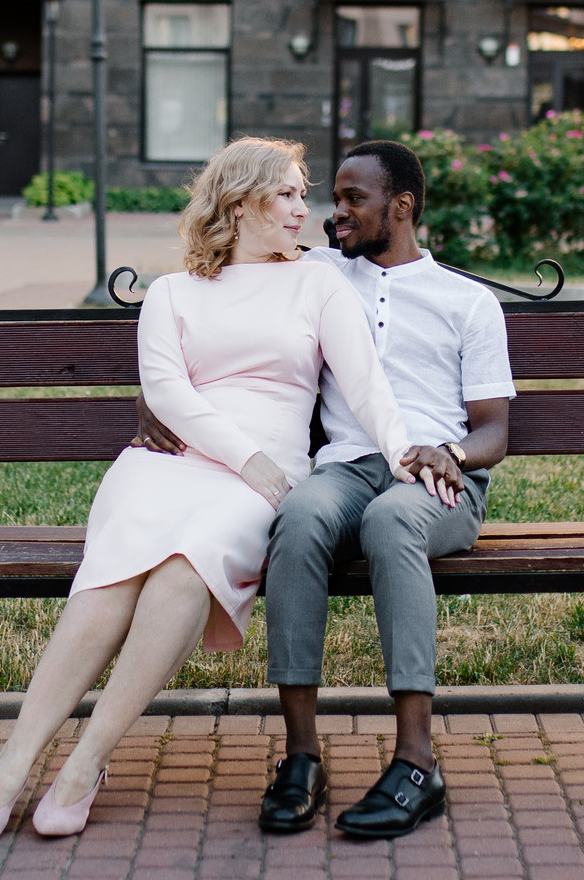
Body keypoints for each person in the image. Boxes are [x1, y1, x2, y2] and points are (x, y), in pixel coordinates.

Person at [0, 136, 442, 842]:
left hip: (261, 483)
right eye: (286, 193)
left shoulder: (319, 282)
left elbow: (367, 385)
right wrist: (242, 456)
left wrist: (404, 453)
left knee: (188, 568)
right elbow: (168, 393)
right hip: (171, 464)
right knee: (113, 574)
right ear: (241, 202)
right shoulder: (173, 292)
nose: (303, 208)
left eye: (304, 193)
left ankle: (86, 761)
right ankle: (14, 758)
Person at [133, 140, 513, 840]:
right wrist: (159, 397)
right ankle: (302, 753)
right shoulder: (315, 273)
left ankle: (416, 760)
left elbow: (495, 430)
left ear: (400, 208)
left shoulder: (469, 302)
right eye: (328, 197)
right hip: (343, 466)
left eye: (351, 200)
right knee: (299, 517)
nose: (331, 213)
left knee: (393, 523)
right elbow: (226, 295)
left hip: (434, 477)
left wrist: (450, 451)